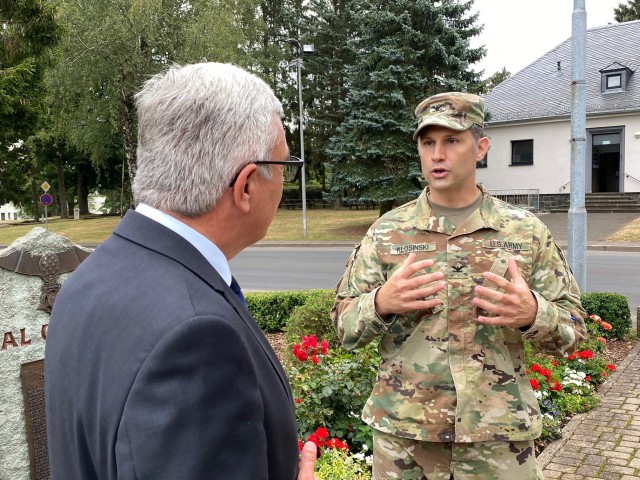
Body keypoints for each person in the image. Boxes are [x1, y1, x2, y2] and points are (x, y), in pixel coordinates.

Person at [45, 62, 317, 479]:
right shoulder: (198, 337)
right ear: (245, 186)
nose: (284, 180)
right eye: (283, 166)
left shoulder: (89, 277)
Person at [331, 92, 587, 479]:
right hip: (406, 440)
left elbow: (575, 331)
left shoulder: (524, 231)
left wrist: (534, 313)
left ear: (480, 147)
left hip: (498, 440)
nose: (437, 154)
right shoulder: (387, 232)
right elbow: (343, 326)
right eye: (427, 142)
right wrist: (381, 302)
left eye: (452, 141)